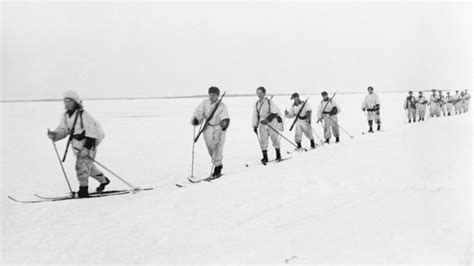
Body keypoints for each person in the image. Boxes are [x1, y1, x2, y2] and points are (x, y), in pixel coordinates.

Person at [47, 91, 109, 198]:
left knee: (81, 166)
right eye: (65, 101)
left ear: (75, 102)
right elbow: (64, 129)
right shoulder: (66, 115)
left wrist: (86, 148)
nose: (67, 104)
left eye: (69, 101)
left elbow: (91, 131)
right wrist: (54, 135)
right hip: (76, 145)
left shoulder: (83, 114)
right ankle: (103, 180)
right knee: (88, 167)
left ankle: (83, 190)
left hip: (88, 144)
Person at [191, 86, 230, 179]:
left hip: (218, 127)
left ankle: (217, 168)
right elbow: (198, 112)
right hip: (208, 127)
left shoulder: (222, 105)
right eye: (210, 94)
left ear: (217, 95)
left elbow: (225, 116)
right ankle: (217, 163)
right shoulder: (204, 103)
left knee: (217, 146)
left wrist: (224, 122)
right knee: (210, 147)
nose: (212, 96)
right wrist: (196, 119)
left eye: (214, 95)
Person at [252, 86, 284, 163]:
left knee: (274, 139)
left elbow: (274, 112)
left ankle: (278, 155)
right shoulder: (256, 104)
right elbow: (255, 115)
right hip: (262, 124)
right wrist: (255, 125)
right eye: (258, 93)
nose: (259, 95)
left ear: (264, 93)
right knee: (263, 141)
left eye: (260, 93)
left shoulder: (269, 102)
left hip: (272, 123)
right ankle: (265, 157)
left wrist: (267, 120)